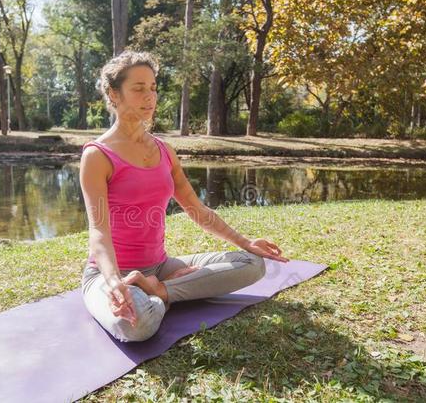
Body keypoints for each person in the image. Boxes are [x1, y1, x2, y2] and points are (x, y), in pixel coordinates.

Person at [79, 50, 289, 342]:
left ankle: (160, 290)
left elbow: (197, 209)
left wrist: (246, 242)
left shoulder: (164, 150)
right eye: (138, 89)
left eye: (152, 88)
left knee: (252, 263)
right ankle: (159, 293)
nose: (149, 97)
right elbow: (99, 232)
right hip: (109, 274)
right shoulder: (97, 155)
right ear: (114, 94)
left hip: (159, 266)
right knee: (135, 325)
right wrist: (114, 282)